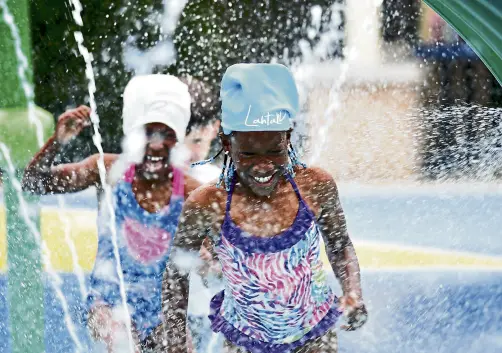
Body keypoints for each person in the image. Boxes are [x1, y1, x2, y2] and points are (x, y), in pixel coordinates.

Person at [161, 63, 368, 353]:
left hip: (314, 336)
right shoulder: (208, 203)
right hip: (245, 340)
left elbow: (340, 244)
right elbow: (176, 271)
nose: (263, 164)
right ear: (226, 143)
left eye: (274, 150)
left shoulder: (315, 186)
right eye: (248, 153)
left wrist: (353, 293)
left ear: (288, 138)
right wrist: (175, 338)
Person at [22, 74, 201, 352]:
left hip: (162, 307)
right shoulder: (108, 171)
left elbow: (225, 238)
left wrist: (212, 257)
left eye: (165, 134)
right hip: (107, 302)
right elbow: (33, 182)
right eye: (147, 133)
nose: (155, 144)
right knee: (122, 341)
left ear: (176, 140)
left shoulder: (190, 190)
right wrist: (56, 142)